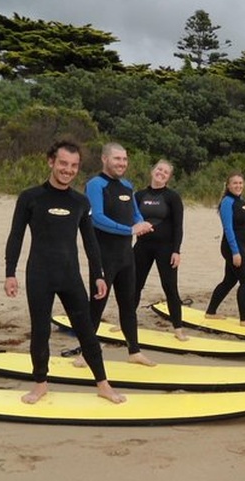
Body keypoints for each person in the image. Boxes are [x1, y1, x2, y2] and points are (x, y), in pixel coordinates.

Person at [4, 139, 125, 404]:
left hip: (70, 276)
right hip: (39, 274)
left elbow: (90, 242)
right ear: (51, 162)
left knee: (86, 331)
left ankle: (103, 384)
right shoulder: (30, 197)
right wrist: (10, 272)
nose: (68, 170)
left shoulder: (80, 202)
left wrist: (98, 275)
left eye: (73, 166)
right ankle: (40, 385)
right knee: (40, 331)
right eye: (63, 163)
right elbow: (16, 236)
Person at [84, 142, 156, 366]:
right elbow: (97, 217)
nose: (122, 163)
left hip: (126, 256)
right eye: (117, 159)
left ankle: (134, 352)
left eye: (124, 159)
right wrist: (130, 230)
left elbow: (134, 212)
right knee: (97, 305)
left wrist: (140, 222)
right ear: (104, 159)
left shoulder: (127, 185)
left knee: (128, 304)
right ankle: (84, 354)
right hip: (104, 257)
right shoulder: (95, 185)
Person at [133, 159, 187, 341]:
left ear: (169, 177)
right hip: (142, 247)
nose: (161, 173)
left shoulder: (172, 197)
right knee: (134, 286)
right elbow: (131, 221)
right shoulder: (138, 196)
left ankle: (178, 328)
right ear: (152, 170)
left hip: (166, 249)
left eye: (165, 172)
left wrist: (176, 251)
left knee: (170, 287)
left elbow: (178, 226)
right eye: (159, 169)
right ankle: (125, 321)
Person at [205, 172, 245, 327]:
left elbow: (244, 223)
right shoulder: (227, 202)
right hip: (232, 247)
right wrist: (236, 252)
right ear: (228, 185)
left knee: (229, 280)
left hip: (240, 246)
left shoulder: (240, 201)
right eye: (234, 183)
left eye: (240, 183)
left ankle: (210, 312)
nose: (238, 186)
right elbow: (228, 228)